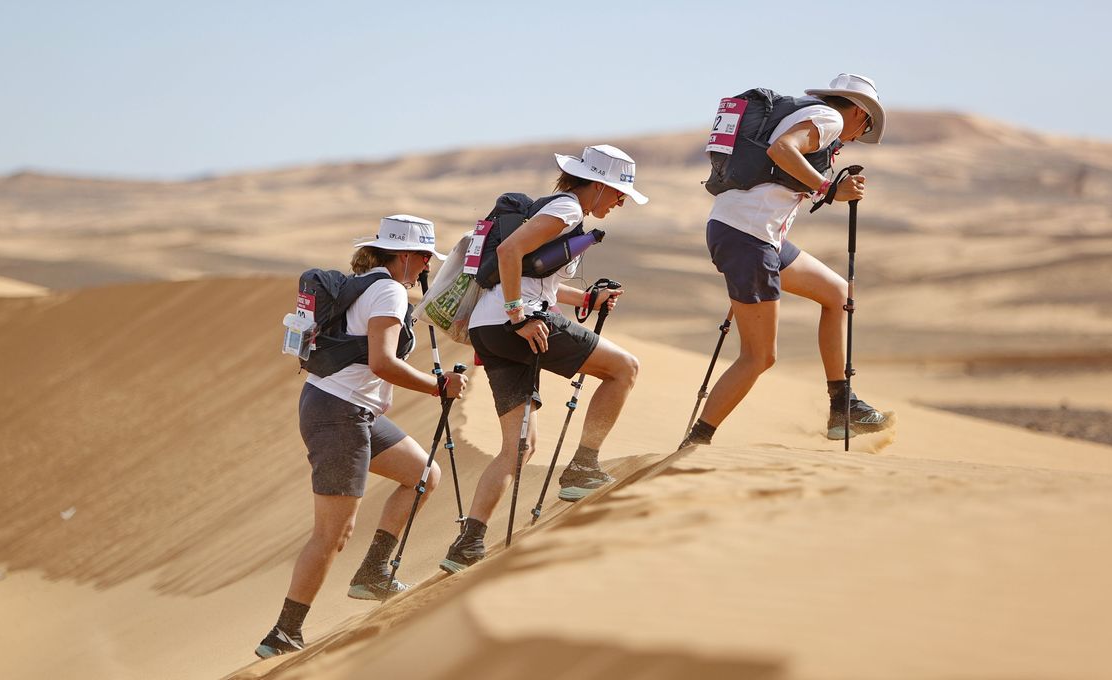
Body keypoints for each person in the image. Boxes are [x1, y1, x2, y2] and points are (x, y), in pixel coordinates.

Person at [256, 215, 468, 659]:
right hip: (340, 413)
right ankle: (283, 633)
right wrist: (437, 385)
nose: (428, 266)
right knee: (333, 533)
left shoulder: (365, 283)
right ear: (409, 256)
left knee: (423, 476)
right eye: (426, 257)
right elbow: (383, 363)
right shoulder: (389, 290)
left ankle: (373, 574)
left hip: (346, 408)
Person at [439, 144, 647, 574]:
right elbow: (508, 254)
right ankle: (582, 469)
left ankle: (467, 543)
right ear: (599, 184)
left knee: (519, 447)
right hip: (518, 325)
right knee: (624, 368)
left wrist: (587, 297)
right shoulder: (569, 210)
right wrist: (519, 315)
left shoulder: (556, 208)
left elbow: (532, 274)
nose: (621, 200)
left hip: (489, 329)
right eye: (619, 191)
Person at [684, 73, 895, 447]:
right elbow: (781, 150)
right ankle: (697, 443)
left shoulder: (807, 113)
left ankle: (841, 404)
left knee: (836, 294)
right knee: (759, 356)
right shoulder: (828, 119)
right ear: (859, 113)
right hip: (747, 237)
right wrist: (830, 188)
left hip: (753, 234)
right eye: (865, 126)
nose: (858, 135)